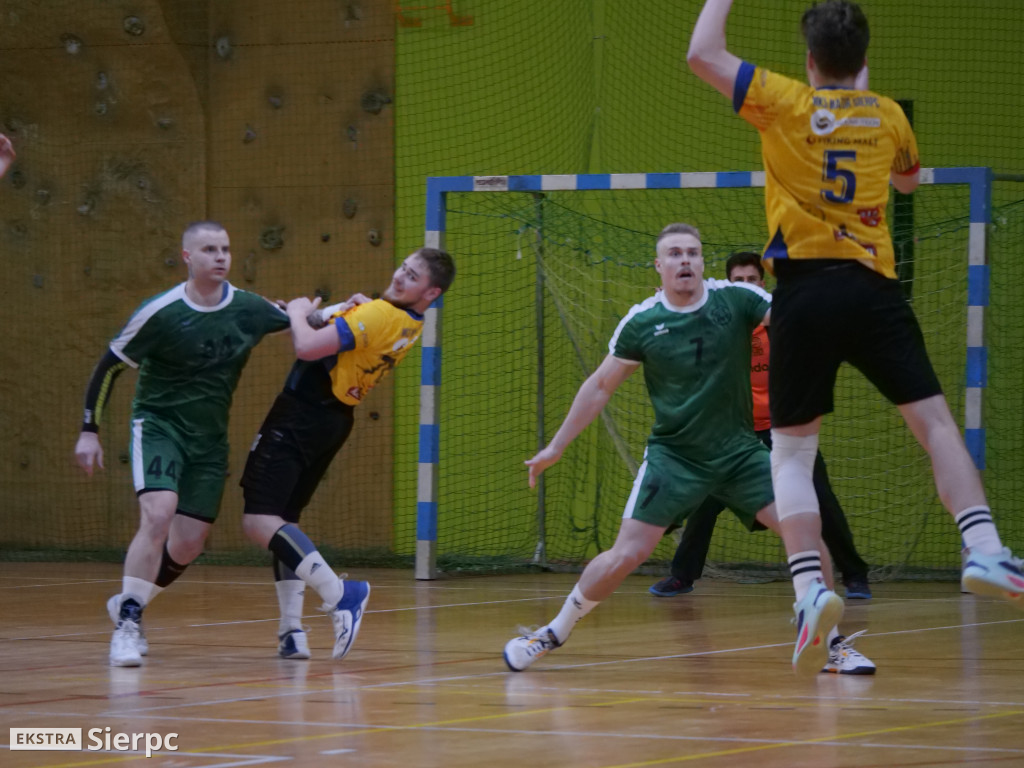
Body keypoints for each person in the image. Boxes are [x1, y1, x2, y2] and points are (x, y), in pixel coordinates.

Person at [687, 0, 1023, 673]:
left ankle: (810, 589)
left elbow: (702, 53)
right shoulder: (888, 115)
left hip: (803, 294)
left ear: (810, 61)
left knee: (791, 455)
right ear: (863, 60)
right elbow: (908, 182)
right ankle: (984, 546)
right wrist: (862, 112)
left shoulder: (782, 100)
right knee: (935, 425)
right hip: (872, 288)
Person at [503, 224, 874, 676]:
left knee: (807, 534)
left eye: (693, 253)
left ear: (702, 262)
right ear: (659, 266)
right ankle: (551, 633)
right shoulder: (642, 321)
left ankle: (829, 646)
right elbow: (599, 386)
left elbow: (792, 317)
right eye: (675, 254)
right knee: (626, 555)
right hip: (675, 457)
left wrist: (829, 285)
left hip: (740, 453)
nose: (685, 261)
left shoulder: (736, 298)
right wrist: (556, 446)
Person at [74, 221, 292, 667]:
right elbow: (110, 366)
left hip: (208, 441)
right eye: (209, 249)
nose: (221, 256)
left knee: (189, 543)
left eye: (225, 248)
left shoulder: (248, 308)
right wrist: (89, 430)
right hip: (160, 427)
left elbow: (301, 322)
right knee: (159, 512)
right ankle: (127, 626)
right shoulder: (161, 312)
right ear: (187, 257)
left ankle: (129, 602)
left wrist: (350, 311)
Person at [239, 247, 455, 661]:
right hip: (332, 419)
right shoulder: (407, 321)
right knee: (284, 524)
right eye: (403, 267)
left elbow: (306, 347)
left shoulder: (378, 314)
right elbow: (323, 331)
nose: (399, 276)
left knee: (259, 519)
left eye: (412, 277)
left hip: (302, 415)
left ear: (431, 293)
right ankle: (291, 631)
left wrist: (299, 311)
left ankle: (341, 593)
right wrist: (317, 314)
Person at [649, 252, 871, 601]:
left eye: (752, 280)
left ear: (763, 284)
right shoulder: (718, 325)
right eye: (738, 281)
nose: (746, 286)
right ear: (728, 285)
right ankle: (682, 575)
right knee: (705, 500)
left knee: (819, 497)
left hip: (783, 431)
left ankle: (855, 575)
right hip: (734, 434)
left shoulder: (779, 322)